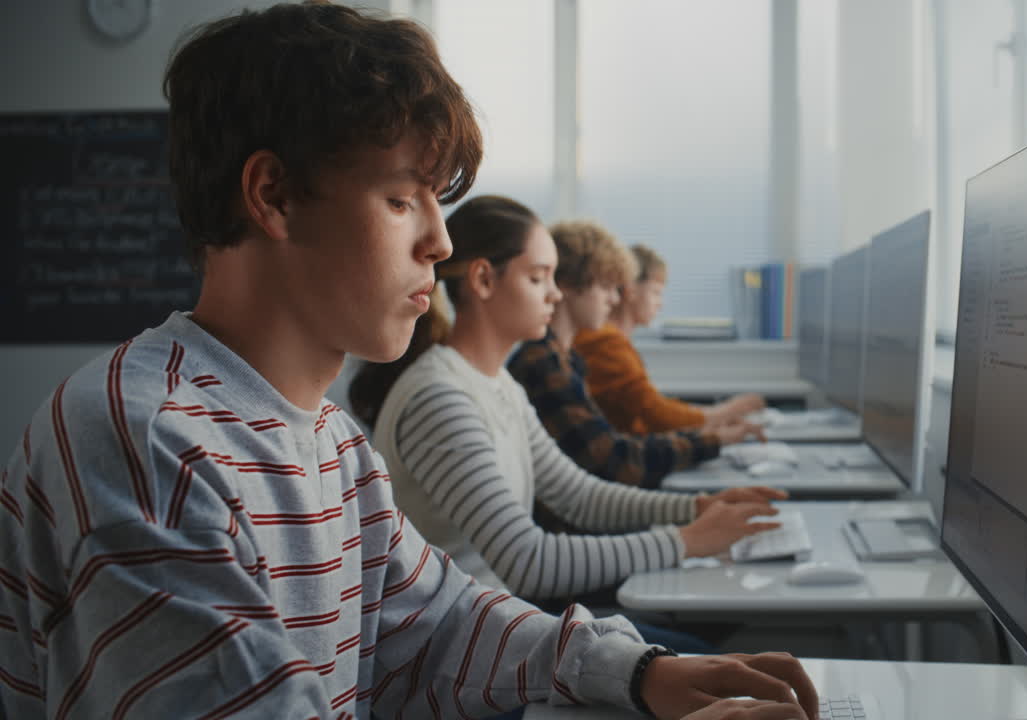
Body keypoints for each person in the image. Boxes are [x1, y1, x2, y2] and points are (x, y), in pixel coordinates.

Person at [0, 3, 818, 718]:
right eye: (401, 200)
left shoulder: (333, 441)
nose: (442, 241)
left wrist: (641, 671)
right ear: (273, 195)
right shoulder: (147, 439)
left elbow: (438, 624)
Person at [352, 194, 783, 610]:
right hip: (453, 655)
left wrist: (695, 508)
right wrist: (685, 540)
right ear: (484, 280)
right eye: (538, 278)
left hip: (495, 628)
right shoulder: (440, 398)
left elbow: (578, 495)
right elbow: (527, 561)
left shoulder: (498, 383)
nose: (555, 295)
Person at [506, 222, 760, 489]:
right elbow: (616, 459)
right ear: (569, 285)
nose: (615, 299)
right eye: (606, 286)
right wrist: (716, 436)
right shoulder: (549, 362)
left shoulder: (569, 359)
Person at [574, 239, 766, 434]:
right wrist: (725, 412)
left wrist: (713, 421)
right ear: (631, 289)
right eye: (656, 293)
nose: (661, 304)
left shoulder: (613, 340)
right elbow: (656, 415)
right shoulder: (606, 343)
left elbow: (649, 408)